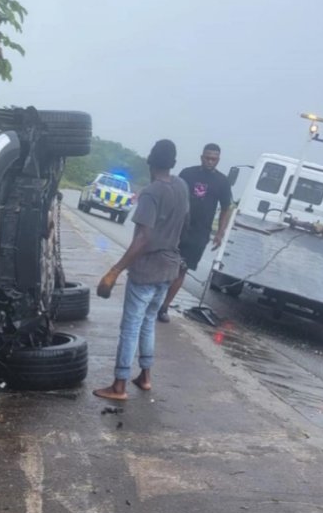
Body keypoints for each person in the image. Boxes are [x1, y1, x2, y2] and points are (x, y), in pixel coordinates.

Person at [93, 139, 189, 401]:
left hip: (147, 270)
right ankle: (145, 377)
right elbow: (184, 223)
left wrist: (115, 270)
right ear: (173, 163)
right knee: (148, 322)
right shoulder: (181, 186)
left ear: (150, 162)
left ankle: (119, 385)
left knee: (131, 326)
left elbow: (143, 238)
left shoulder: (151, 193)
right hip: (169, 268)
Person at [156, 143, 233, 323]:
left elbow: (226, 208)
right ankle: (152, 299)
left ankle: (164, 306)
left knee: (182, 269)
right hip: (177, 227)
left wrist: (220, 233)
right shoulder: (187, 174)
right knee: (164, 264)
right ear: (201, 157)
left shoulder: (222, 182)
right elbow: (172, 194)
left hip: (199, 233)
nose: (209, 161)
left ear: (218, 160)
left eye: (213, 159)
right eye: (207, 157)